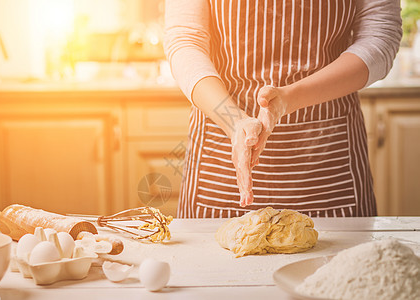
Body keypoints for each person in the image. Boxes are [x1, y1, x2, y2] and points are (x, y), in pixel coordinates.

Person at [164, 0, 402, 218]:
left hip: (328, 165)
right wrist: (234, 122)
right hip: (220, 162)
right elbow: (185, 40)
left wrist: (290, 98)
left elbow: (380, 37)